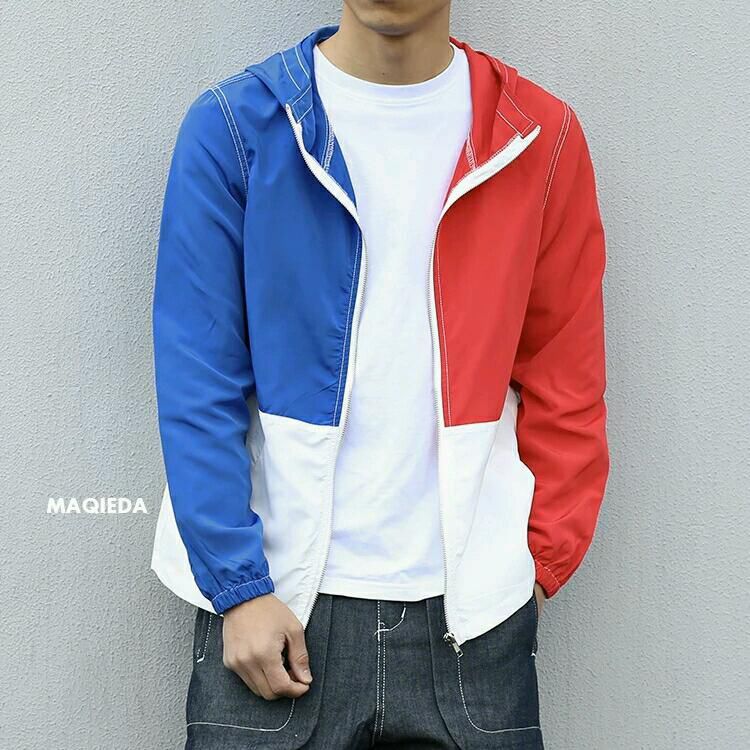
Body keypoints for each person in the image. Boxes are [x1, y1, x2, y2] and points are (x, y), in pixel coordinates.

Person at [151, 1, 609, 747]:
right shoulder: (236, 127)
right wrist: (238, 588)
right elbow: (197, 378)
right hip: (274, 613)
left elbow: (569, 376)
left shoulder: (537, 137)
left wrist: (534, 566)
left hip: (473, 625)